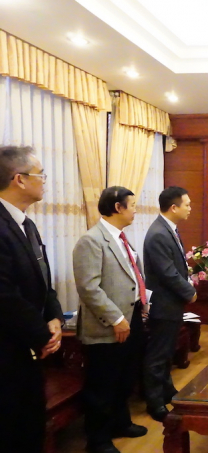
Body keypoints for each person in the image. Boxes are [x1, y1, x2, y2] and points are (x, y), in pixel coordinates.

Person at [73, 186, 147, 453]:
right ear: (118, 207)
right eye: (133, 204)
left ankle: (120, 423)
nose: (136, 209)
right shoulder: (91, 240)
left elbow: (129, 277)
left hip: (132, 317)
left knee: (125, 377)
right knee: (103, 383)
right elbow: (89, 288)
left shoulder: (122, 238)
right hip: (108, 325)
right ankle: (98, 439)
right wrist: (116, 318)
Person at [0, 146, 64, 453]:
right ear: (19, 179)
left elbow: (43, 281)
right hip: (7, 351)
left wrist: (54, 317)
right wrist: (42, 333)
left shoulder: (26, 224)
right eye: (40, 174)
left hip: (28, 350)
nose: (45, 180)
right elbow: (4, 295)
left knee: (30, 427)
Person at [143, 187, 197, 422]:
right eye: (187, 204)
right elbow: (167, 273)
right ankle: (154, 403)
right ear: (173, 207)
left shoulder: (168, 229)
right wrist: (190, 292)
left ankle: (167, 391)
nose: (189, 208)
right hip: (164, 304)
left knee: (166, 353)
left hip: (172, 303)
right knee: (157, 356)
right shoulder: (158, 233)